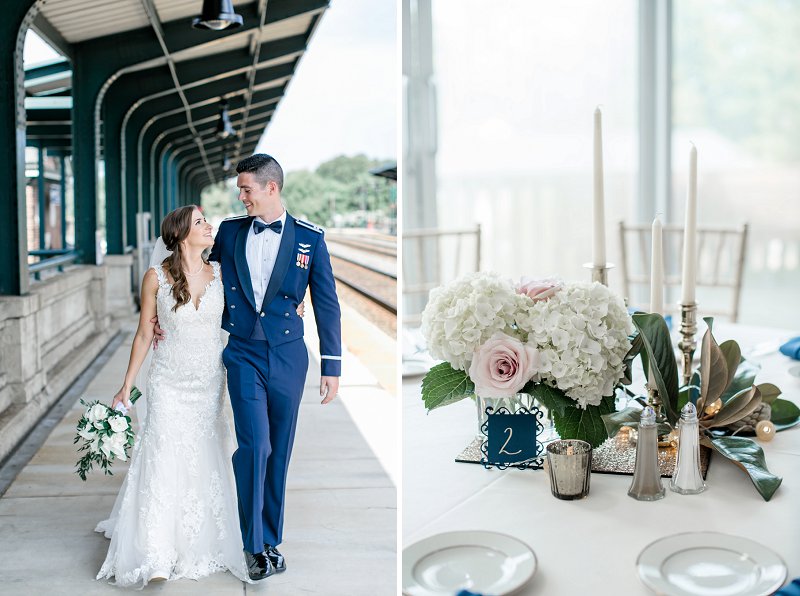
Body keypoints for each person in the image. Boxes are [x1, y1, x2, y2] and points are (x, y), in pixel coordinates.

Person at [95, 205, 305, 587]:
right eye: (200, 222)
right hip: (168, 381)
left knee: (203, 456)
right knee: (163, 455)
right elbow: (145, 333)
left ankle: (199, 540)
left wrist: (292, 308)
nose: (210, 226)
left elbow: (263, 297)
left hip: (209, 382)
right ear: (180, 235)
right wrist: (127, 384)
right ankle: (156, 553)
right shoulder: (154, 278)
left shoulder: (223, 274)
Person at [201, 153, 342, 580]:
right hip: (242, 352)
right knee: (255, 446)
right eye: (239, 190)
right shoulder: (228, 232)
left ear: (271, 188)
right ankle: (252, 545)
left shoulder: (309, 239)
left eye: (246, 189)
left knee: (279, 450)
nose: (241, 197)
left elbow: (327, 303)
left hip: (288, 355)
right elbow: (200, 275)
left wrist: (331, 366)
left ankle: (271, 539)